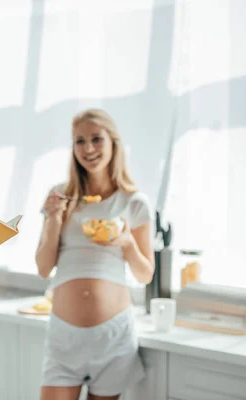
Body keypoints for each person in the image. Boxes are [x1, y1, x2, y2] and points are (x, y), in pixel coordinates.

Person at [36, 109, 155, 400]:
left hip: (112, 337)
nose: (88, 148)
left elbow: (145, 274)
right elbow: (43, 267)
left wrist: (127, 244)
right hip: (64, 336)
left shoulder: (135, 203)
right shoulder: (60, 197)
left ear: (113, 143)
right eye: (79, 141)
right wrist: (53, 219)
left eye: (96, 139)